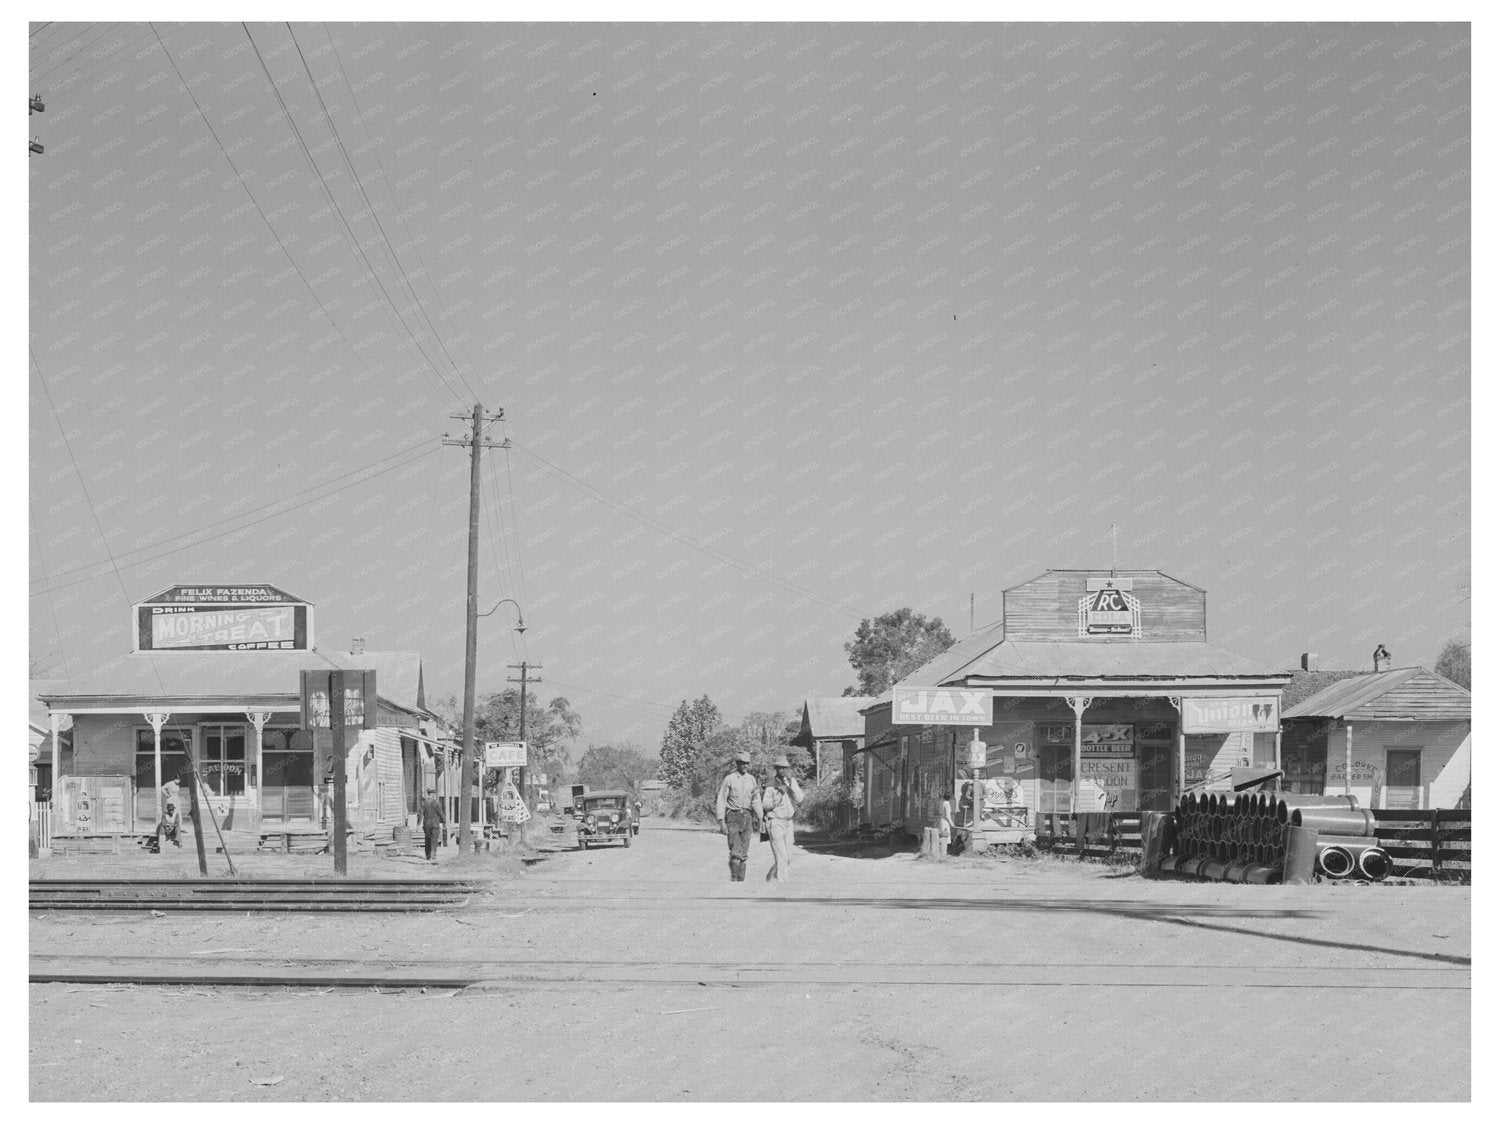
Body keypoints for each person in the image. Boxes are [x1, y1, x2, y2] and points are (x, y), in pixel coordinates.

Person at [715, 750, 763, 882]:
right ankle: (734, 880)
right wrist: (721, 821)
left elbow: (756, 800)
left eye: (747, 763)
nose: (745, 766)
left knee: (744, 852)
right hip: (733, 817)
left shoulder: (752, 780)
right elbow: (721, 799)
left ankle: (741, 882)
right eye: (742, 763)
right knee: (735, 852)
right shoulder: (729, 779)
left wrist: (760, 817)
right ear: (737, 764)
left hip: (747, 817)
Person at [761, 756, 803, 883]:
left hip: (788, 822)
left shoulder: (791, 781)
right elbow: (765, 805)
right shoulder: (770, 785)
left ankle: (775, 875)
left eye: (786, 768)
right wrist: (779, 794)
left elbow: (799, 799)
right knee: (781, 855)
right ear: (776, 769)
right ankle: (782, 881)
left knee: (788, 855)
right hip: (775, 822)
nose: (784, 771)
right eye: (781, 768)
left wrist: (790, 786)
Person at [419, 788, 446, 861]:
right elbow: (441, 814)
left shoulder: (423, 803)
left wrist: (418, 824)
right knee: (434, 840)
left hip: (426, 824)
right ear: (433, 794)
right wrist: (444, 823)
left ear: (428, 793)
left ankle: (427, 856)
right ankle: (432, 856)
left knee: (427, 839)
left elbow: (421, 814)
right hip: (435, 825)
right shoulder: (437, 803)